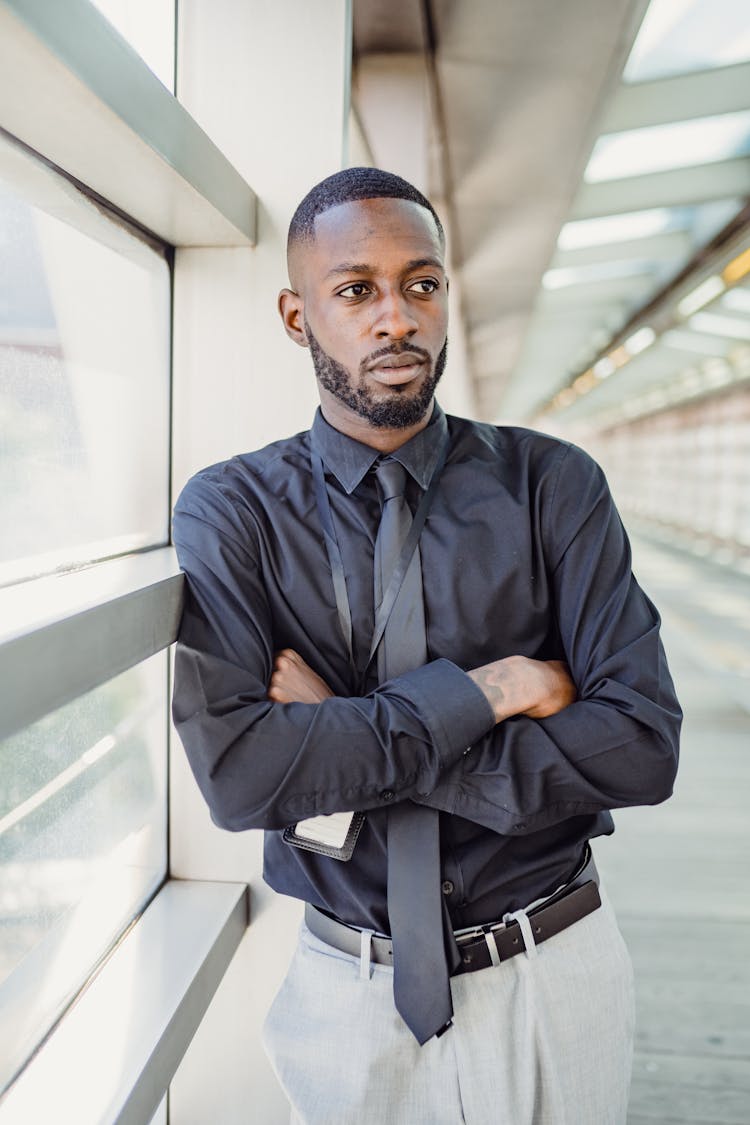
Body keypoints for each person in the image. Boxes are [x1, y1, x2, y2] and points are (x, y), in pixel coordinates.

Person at [171, 167, 681, 1124]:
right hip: (346, 993)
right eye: (356, 289)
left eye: (421, 284)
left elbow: (643, 745)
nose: (395, 318)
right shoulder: (233, 510)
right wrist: (492, 690)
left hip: (553, 971)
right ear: (297, 315)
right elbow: (243, 777)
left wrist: (342, 741)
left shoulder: (552, 486)